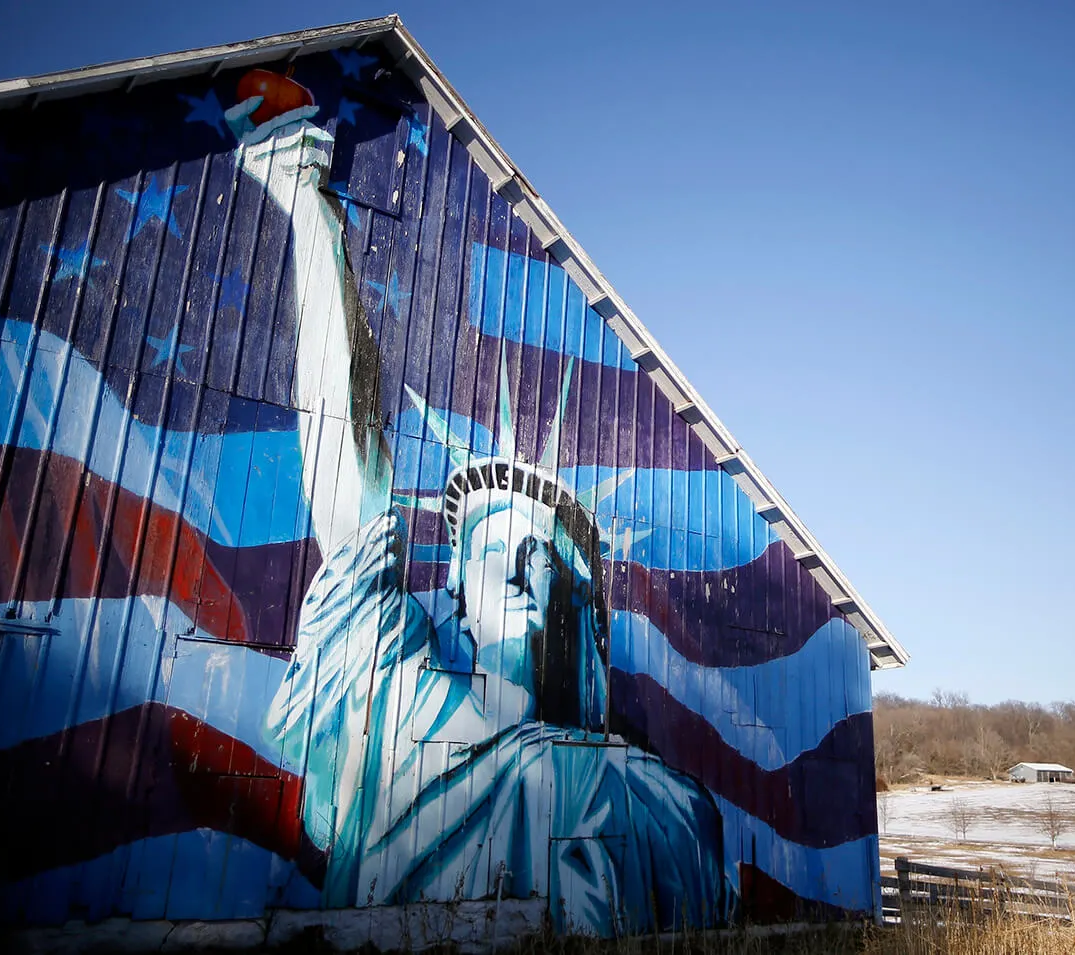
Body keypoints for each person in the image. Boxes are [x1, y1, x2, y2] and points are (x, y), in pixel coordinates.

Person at [227, 89, 729, 934]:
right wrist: (310, 210)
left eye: (554, 565)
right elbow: (346, 483)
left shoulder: (668, 803)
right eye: (506, 560)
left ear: (592, 619)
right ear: (454, 595)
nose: (535, 583)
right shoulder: (402, 705)